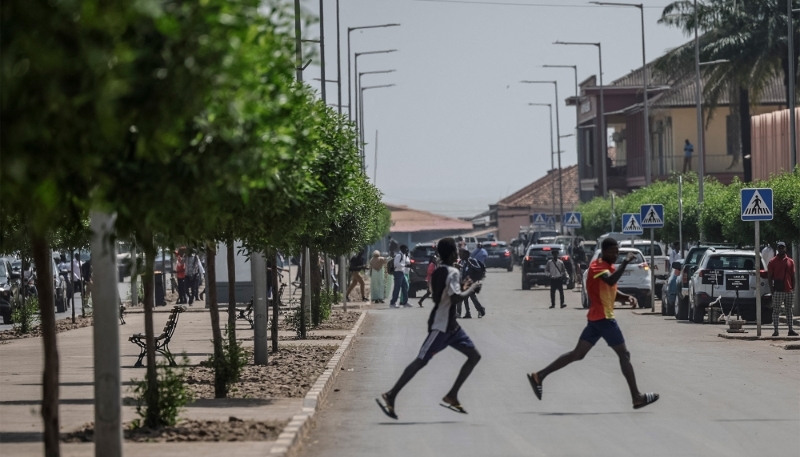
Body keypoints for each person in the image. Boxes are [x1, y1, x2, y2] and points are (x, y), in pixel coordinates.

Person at [526, 237, 660, 410]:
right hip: (604, 319)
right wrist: (625, 263)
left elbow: (611, 289)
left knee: (577, 354)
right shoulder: (597, 267)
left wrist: (625, 297)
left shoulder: (608, 267)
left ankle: (539, 376)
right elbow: (610, 281)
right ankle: (636, 396)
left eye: (617, 252)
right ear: (603, 252)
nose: (615, 255)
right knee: (624, 355)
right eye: (611, 252)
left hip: (596, 320)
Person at [376, 237, 483, 419]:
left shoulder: (439, 272)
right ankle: (391, 394)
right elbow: (455, 298)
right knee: (421, 360)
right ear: (451, 254)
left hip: (452, 327)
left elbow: (441, 295)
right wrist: (472, 288)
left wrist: (463, 286)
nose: (458, 254)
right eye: (456, 252)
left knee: (474, 356)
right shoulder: (452, 272)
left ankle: (452, 395)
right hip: (441, 326)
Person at [768, 241, 796, 337]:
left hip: (789, 290)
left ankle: (791, 330)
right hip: (778, 290)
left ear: (785, 248)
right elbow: (769, 276)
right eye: (779, 248)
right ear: (777, 249)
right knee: (776, 310)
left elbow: (793, 276)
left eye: (782, 247)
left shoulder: (790, 261)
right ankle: (776, 330)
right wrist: (772, 289)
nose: (781, 249)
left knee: (789, 310)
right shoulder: (773, 261)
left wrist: (793, 288)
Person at [458, 249, 486, 318]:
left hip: (471, 282)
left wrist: (471, 264)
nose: (461, 255)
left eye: (462, 254)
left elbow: (478, 268)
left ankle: (480, 309)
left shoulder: (472, 260)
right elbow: (464, 271)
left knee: (472, 297)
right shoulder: (462, 261)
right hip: (464, 282)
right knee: (465, 298)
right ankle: (468, 313)